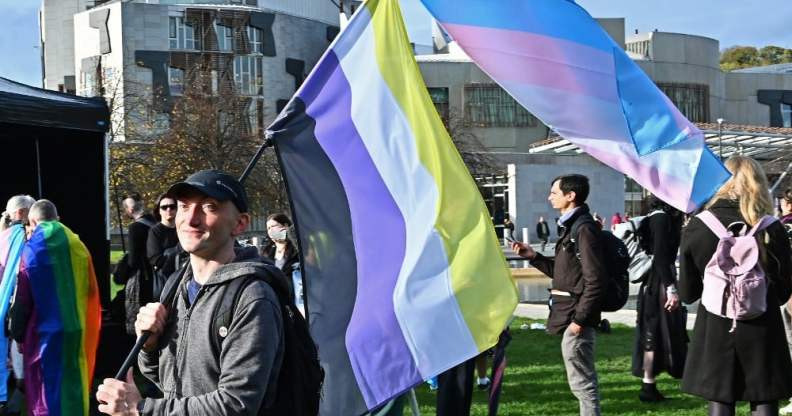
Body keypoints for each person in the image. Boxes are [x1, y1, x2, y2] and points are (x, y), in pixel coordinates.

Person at [97, 170, 285, 415]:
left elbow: (235, 405)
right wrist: (150, 347)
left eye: (209, 207)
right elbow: (166, 381)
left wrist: (141, 409)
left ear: (239, 224)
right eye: (184, 206)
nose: (191, 219)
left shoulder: (252, 297)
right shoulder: (178, 285)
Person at [679, 156, 792, 416]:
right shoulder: (771, 227)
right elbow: (784, 290)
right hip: (762, 320)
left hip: (717, 321)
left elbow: (688, 292)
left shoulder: (699, 225)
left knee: (721, 396)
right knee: (765, 395)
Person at [512, 174, 607, 416]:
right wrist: (533, 257)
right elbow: (563, 274)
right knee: (579, 382)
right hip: (569, 315)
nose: (549, 197)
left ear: (570, 196)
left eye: (554, 193)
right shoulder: (572, 227)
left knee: (583, 384)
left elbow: (596, 279)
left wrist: (579, 321)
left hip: (576, 318)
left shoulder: (583, 228)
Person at [10, 199, 102, 416]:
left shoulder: (32, 249)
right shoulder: (78, 245)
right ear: (57, 218)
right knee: (72, 386)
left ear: (32, 221)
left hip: (43, 338)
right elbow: (90, 289)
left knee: (45, 393)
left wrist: (17, 333)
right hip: (76, 330)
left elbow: (22, 299)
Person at [631, 196, 687, 402]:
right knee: (653, 331)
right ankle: (648, 385)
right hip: (659, 280)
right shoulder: (662, 220)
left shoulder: (655, 217)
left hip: (655, 280)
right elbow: (662, 257)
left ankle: (649, 384)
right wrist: (671, 287)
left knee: (651, 330)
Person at [115, 193, 156, 335]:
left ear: (129, 210)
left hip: (143, 279)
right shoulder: (156, 222)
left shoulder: (135, 228)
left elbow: (133, 261)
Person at [261, 213, 303, 314]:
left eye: (274, 226)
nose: (271, 231)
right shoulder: (266, 252)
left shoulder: (297, 248)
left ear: (285, 226)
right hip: (277, 306)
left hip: (298, 304)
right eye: (268, 228)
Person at [146, 193, 181, 300]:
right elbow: (155, 259)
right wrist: (177, 251)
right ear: (159, 211)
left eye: (172, 206)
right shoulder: (155, 231)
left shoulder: (183, 229)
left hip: (185, 279)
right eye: (164, 207)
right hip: (165, 283)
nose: (168, 209)